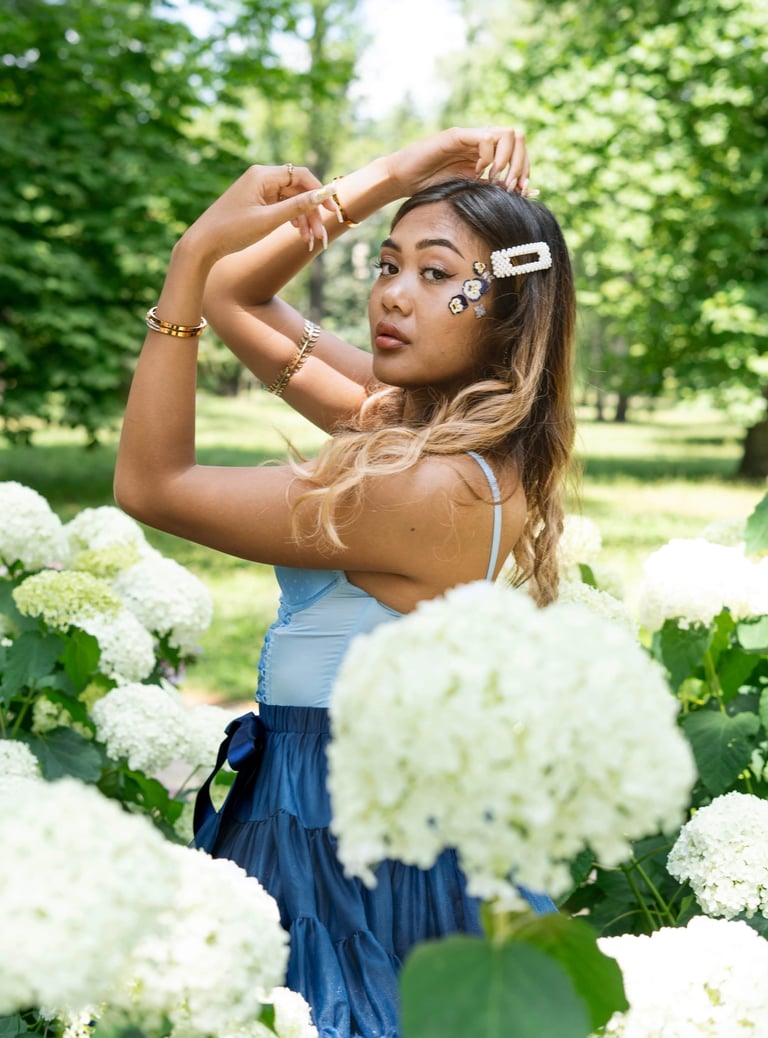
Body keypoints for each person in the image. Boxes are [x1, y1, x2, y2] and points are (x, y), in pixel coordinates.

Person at [114, 126, 576, 1038]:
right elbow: (239, 292)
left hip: (341, 851)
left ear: (507, 310)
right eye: (388, 264)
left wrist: (184, 261)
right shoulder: (427, 430)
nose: (393, 298)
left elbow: (150, 485)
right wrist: (399, 173)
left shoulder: (420, 484)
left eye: (439, 276)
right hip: (329, 809)